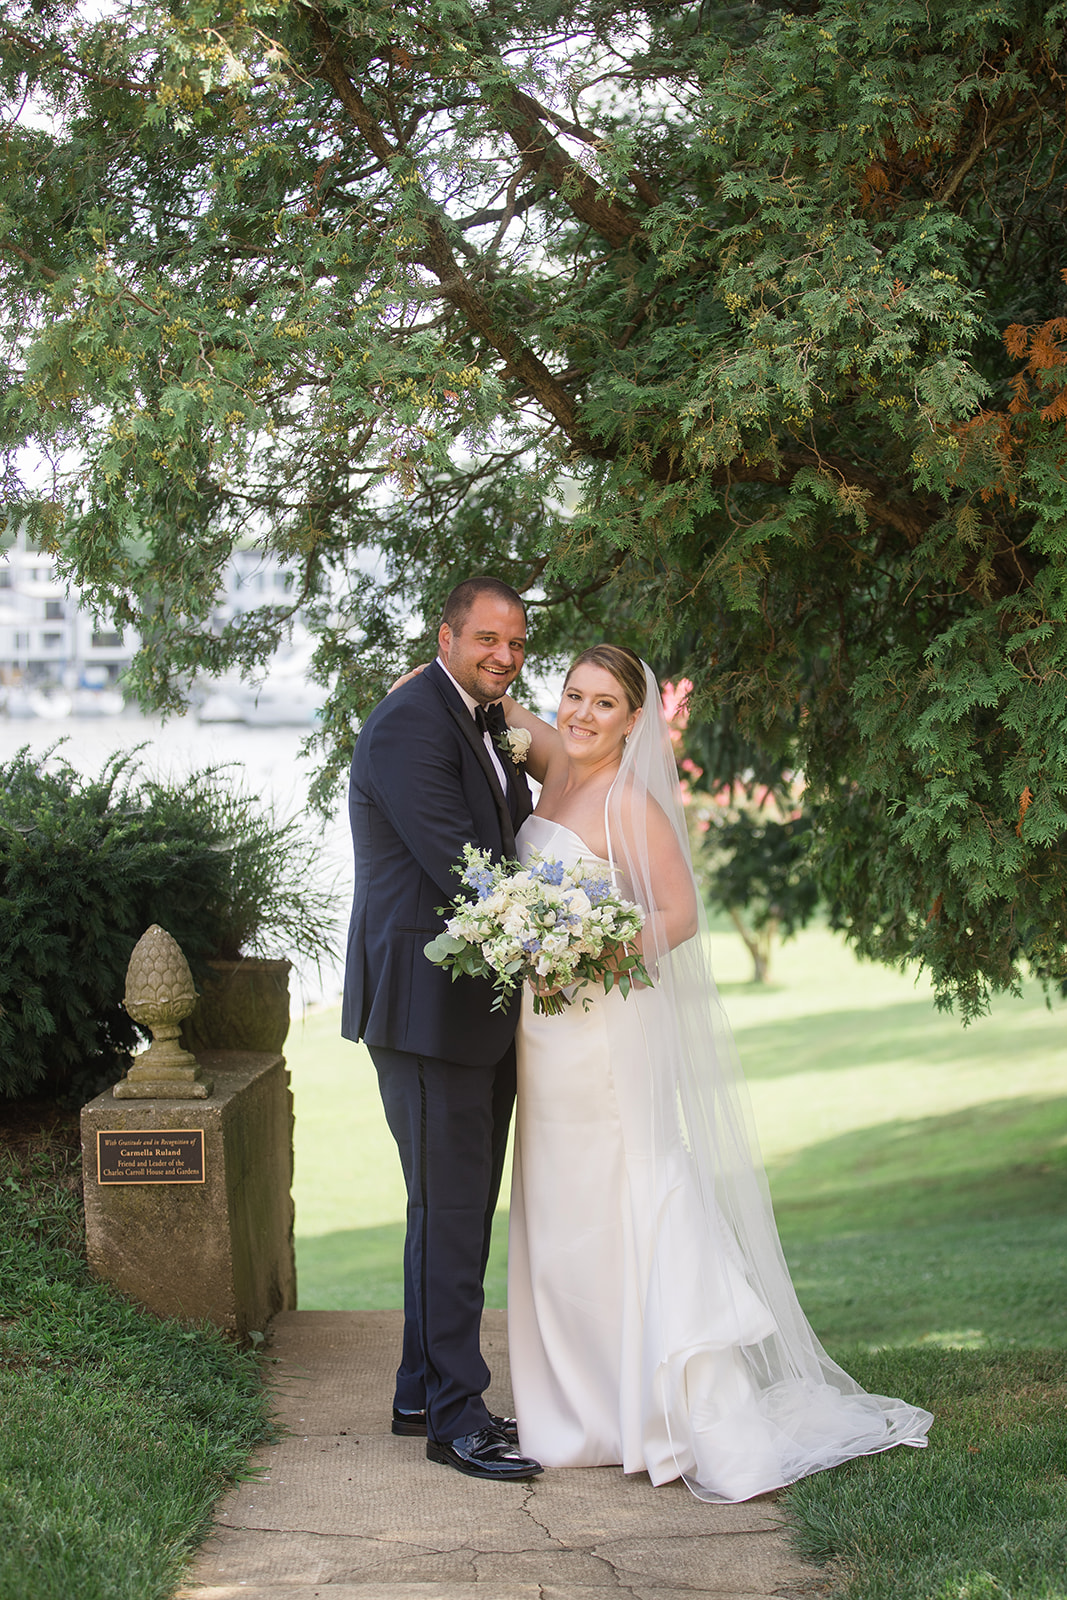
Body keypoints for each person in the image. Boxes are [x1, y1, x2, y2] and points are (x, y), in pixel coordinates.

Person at [498, 644, 933, 1503]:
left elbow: (680, 913)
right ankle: (588, 1410)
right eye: (572, 696)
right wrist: (430, 680)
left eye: (602, 704)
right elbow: (482, 701)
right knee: (560, 1212)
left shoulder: (630, 801)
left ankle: (667, 1411)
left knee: (624, 1199)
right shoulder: (551, 759)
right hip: (544, 1040)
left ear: (633, 720)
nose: (581, 714)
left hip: (604, 1032)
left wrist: (587, 952)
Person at [341, 576, 543, 1481]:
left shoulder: (471, 713)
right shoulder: (413, 722)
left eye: (516, 643)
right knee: (454, 1213)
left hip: (469, 1011)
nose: (502, 655)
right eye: (487, 639)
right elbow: (467, 869)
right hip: (428, 1012)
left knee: (445, 1210)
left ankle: (421, 1386)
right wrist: (569, 929)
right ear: (447, 634)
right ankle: (457, 1420)